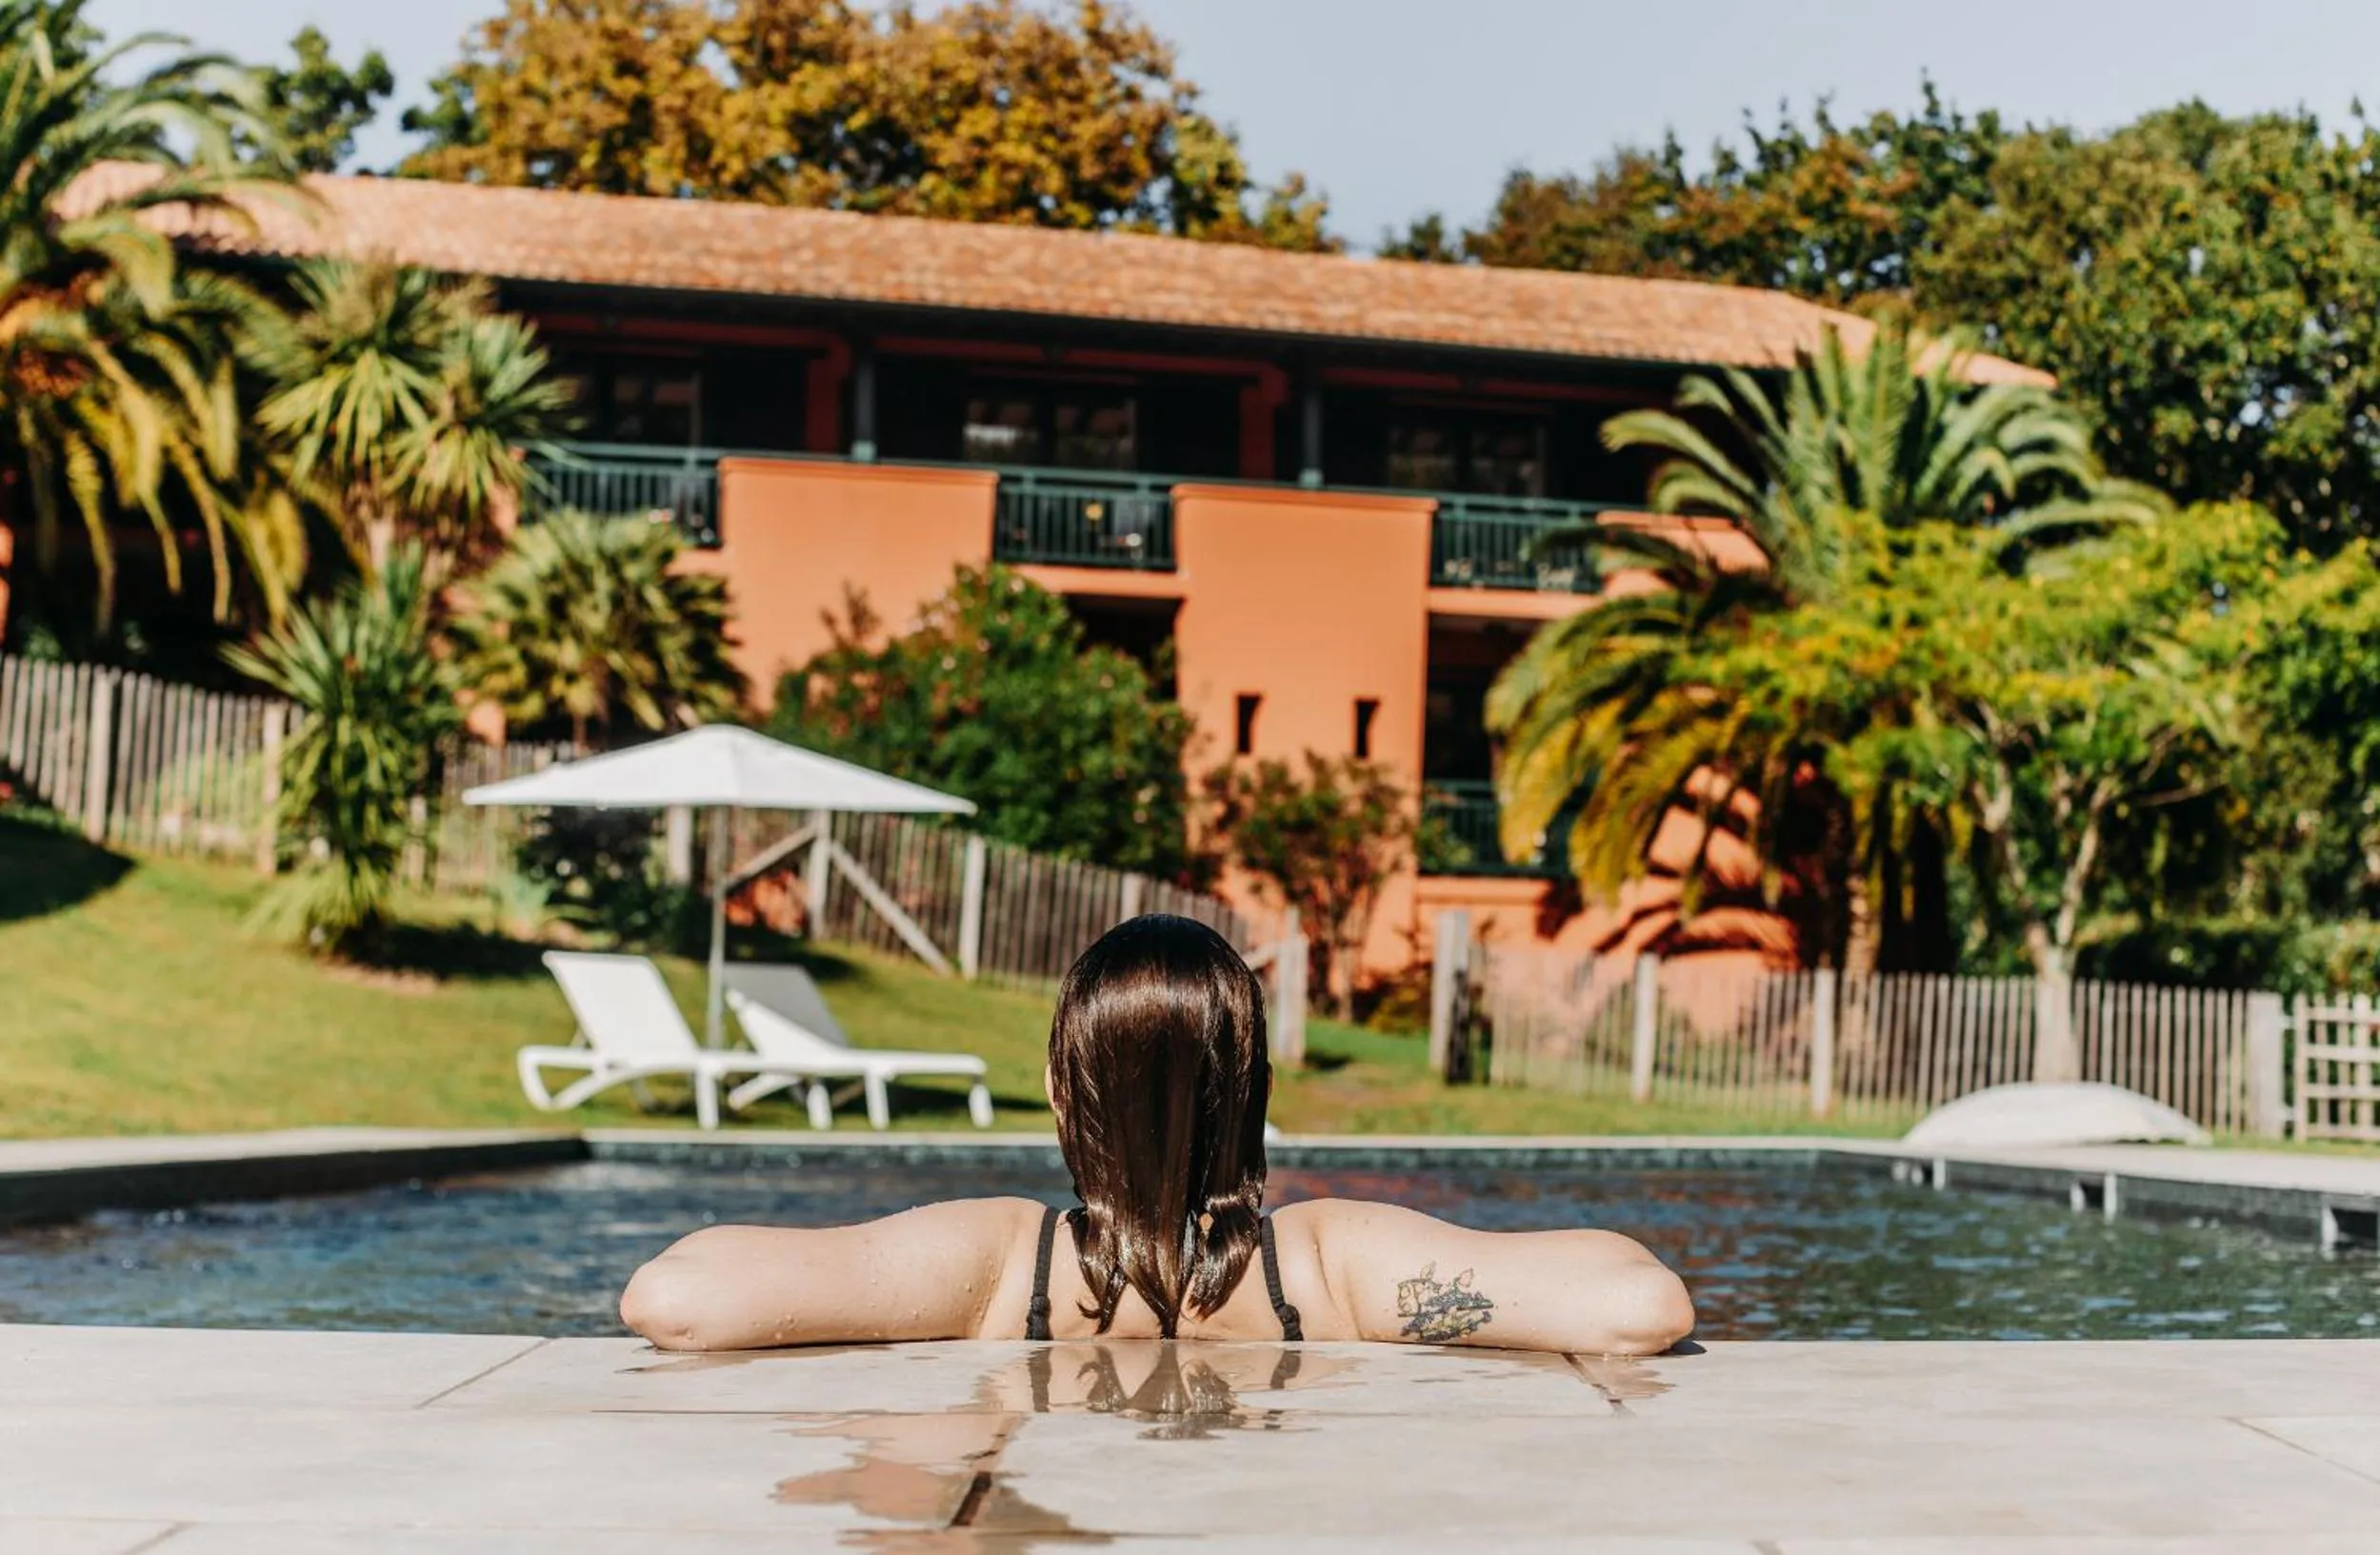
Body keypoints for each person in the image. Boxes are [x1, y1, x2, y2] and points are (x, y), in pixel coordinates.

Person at [621, 914, 1695, 1353]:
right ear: (1258, 1090)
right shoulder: (1322, 1266)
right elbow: (1638, 1300)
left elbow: (674, 1295)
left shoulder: (1007, 1266)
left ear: (1057, 1085)